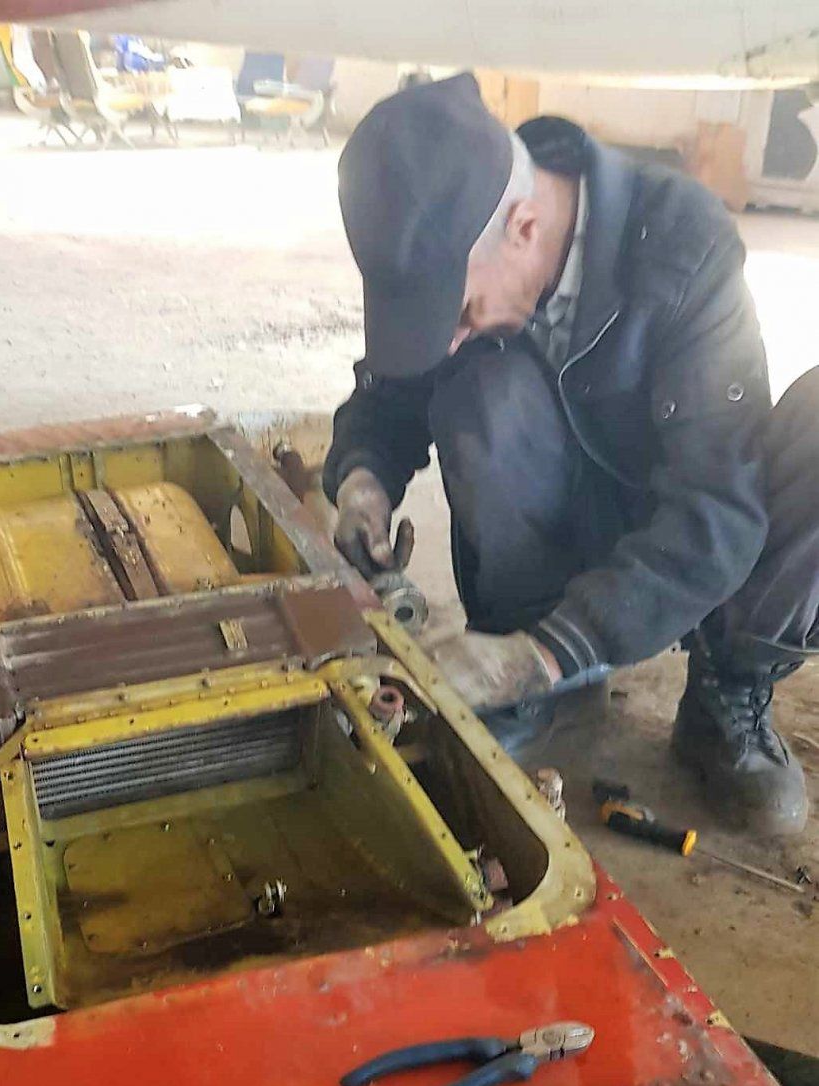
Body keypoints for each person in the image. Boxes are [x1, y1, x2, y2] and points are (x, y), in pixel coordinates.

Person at [323, 74, 818, 837]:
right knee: (478, 391)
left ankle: (728, 687)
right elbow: (393, 390)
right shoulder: (459, 235)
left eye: (460, 311)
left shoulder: (683, 242)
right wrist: (363, 477)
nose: (448, 337)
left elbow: (717, 510)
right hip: (558, 532)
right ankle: (544, 680)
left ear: (523, 226)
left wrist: (553, 650)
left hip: (688, 535)